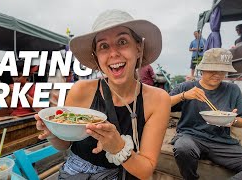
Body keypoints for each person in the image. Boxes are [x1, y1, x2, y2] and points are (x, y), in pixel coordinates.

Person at [35, 9, 170, 179]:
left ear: (138, 48)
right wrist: (53, 132)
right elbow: (65, 144)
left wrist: (119, 148)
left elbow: (145, 171)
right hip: (75, 173)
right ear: (96, 56)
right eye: (103, 46)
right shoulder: (80, 90)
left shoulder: (158, 100)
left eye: (122, 41)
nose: (113, 53)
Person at [170, 48, 242, 180]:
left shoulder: (232, 90)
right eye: (212, 70)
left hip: (222, 143)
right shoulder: (187, 87)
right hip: (191, 137)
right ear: (202, 69)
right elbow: (162, 104)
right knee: (183, 148)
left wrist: (231, 120)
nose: (218, 74)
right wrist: (183, 96)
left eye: (222, 71)